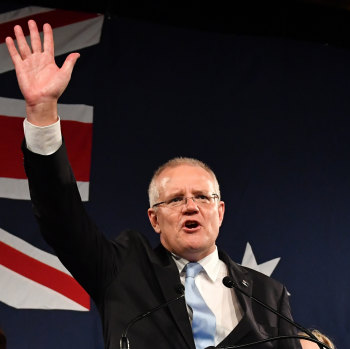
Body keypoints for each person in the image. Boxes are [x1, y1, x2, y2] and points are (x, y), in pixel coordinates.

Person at [5, 20, 300, 349]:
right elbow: (61, 218)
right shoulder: (124, 270)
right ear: (153, 219)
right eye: (175, 199)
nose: (191, 205)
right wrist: (43, 110)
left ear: (220, 211)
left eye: (202, 197)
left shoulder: (266, 295)